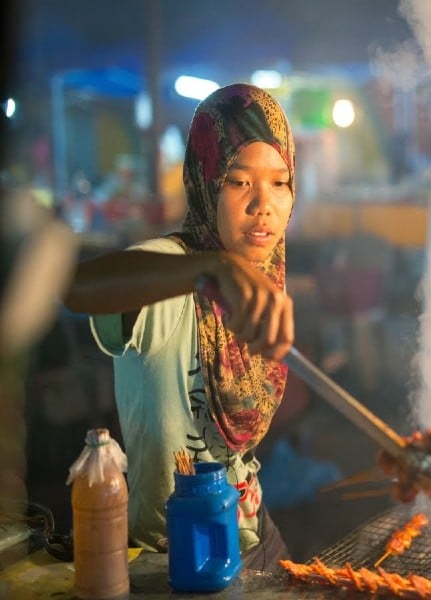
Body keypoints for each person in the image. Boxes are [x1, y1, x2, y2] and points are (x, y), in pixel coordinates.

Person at [62, 83, 296, 572]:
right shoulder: (173, 270)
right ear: (205, 179)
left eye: (279, 182)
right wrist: (205, 271)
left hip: (252, 529)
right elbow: (75, 285)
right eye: (238, 181)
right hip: (172, 554)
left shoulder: (265, 272)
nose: (263, 204)